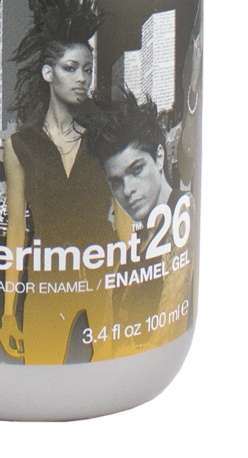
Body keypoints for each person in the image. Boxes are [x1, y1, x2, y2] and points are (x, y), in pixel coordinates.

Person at [0, 0, 116, 364]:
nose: (82, 78)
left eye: (87, 69)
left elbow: (124, 220)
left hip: (103, 274)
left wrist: (127, 285)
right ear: (48, 73)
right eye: (70, 68)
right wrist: (8, 313)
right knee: (38, 370)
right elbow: (17, 232)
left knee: (109, 372)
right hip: (47, 277)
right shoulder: (20, 144)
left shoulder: (106, 136)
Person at [86, 94, 195, 352]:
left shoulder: (183, 212)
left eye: (136, 170)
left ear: (159, 157)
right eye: (116, 182)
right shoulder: (138, 240)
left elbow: (169, 323)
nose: (128, 190)